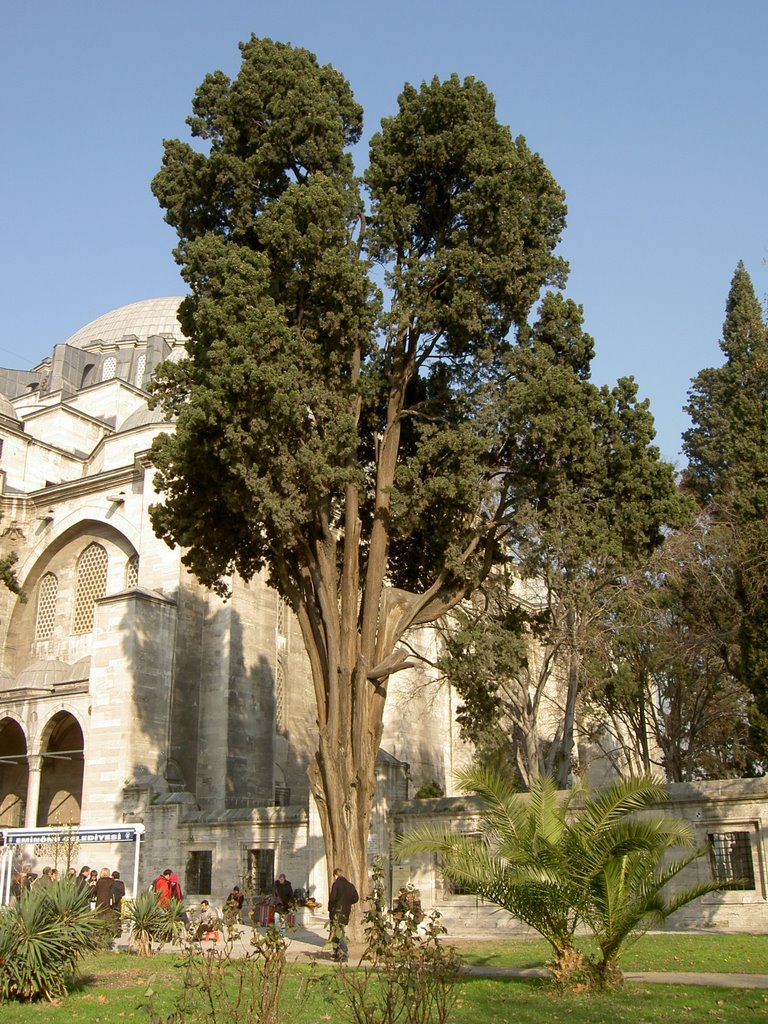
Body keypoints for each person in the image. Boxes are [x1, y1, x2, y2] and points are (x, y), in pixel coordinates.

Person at [328, 867, 358, 963]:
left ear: (335, 875)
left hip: (337, 912)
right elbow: (355, 898)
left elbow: (332, 898)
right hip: (346, 911)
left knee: (340, 934)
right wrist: (348, 902)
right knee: (338, 933)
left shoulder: (336, 884)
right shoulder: (350, 885)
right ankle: (337, 952)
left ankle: (344, 954)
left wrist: (331, 907)